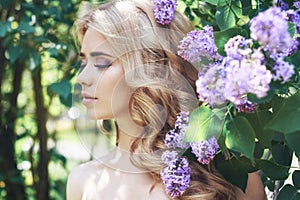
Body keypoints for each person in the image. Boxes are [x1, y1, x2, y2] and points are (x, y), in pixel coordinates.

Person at [67, 0, 267, 199]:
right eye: (84, 62)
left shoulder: (232, 176)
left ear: (150, 67)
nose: (82, 78)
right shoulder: (83, 182)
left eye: (102, 63)